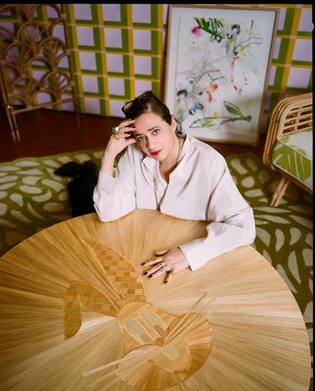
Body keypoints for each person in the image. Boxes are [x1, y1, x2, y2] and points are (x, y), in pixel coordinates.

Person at [93, 91, 256, 284]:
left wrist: (190, 254)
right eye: (140, 137)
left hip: (188, 251)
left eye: (155, 131)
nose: (150, 145)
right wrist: (109, 155)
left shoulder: (209, 161)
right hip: (146, 247)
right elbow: (107, 212)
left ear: (172, 123)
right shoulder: (133, 155)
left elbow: (244, 227)